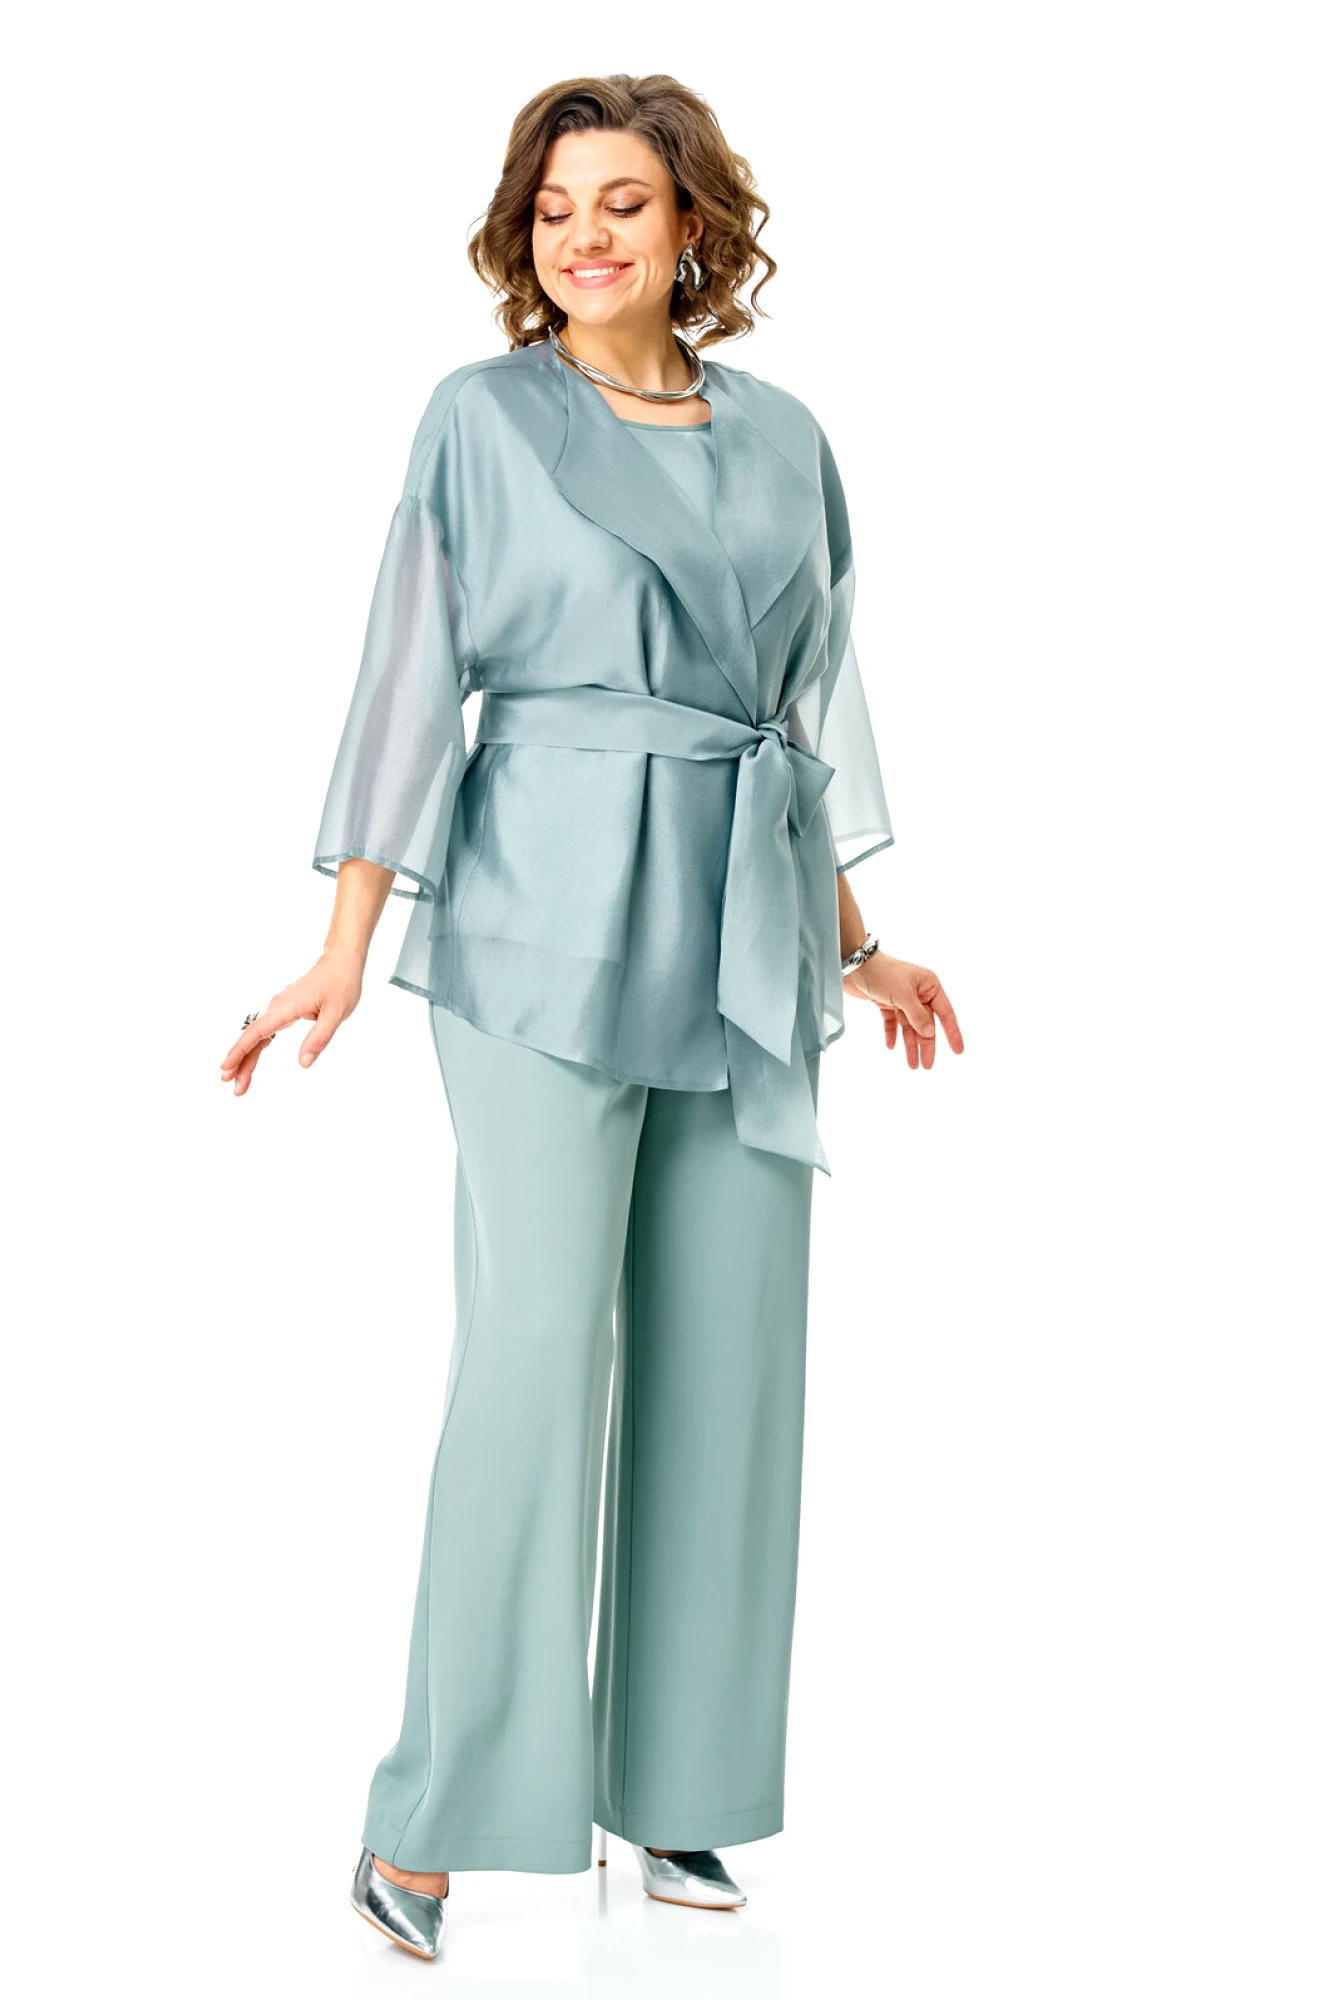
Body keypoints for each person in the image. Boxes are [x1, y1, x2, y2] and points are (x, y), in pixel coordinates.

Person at [220, 72, 963, 1962]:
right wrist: (344, 939)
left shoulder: (787, 438)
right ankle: (433, 1817)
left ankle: (681, 1789)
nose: (584, 239)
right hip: (537, 924)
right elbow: (408, 679)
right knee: (536, 1353)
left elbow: (803, 710)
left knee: (731, 1360)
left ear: (694, 222)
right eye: (555, 209)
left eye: (622, 203)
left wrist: (861, 941)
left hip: (746, 934)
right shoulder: (482, 420)